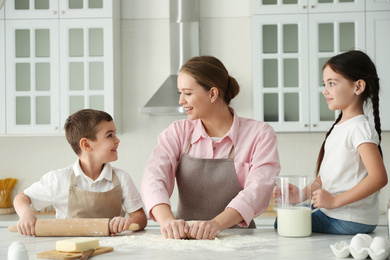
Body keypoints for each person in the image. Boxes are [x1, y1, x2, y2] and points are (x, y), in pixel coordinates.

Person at [141, 55, 280, 240]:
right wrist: (167, 221)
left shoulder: (259, 134)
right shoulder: (178, 132)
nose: (181, 101)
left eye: (188, 93)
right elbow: (153, 177)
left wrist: (217, 224)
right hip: (183, 239)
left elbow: (259, 188)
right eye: (179, 93)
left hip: (238, 240)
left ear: (213, 93)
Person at [275, 50, 388, 235]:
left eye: (332, 83)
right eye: (324, 84)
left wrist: (334, 201)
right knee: (286, 220)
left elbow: (379, 178)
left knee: (283, 223)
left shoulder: (359, 128)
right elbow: (329, 177)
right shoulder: (342, 127)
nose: (325, 90)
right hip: (342, 216)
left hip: (349, 218)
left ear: (358, 87)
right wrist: (302, 194)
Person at [14, 109, 147, 236]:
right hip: (70, 251)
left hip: (113, 249)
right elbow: (21, 198)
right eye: (110, 135)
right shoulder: (59, 179)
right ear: (86, 145)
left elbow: (140, 218)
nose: (117, 140)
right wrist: (26, 214)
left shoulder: (121, 178)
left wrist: (129, 221)